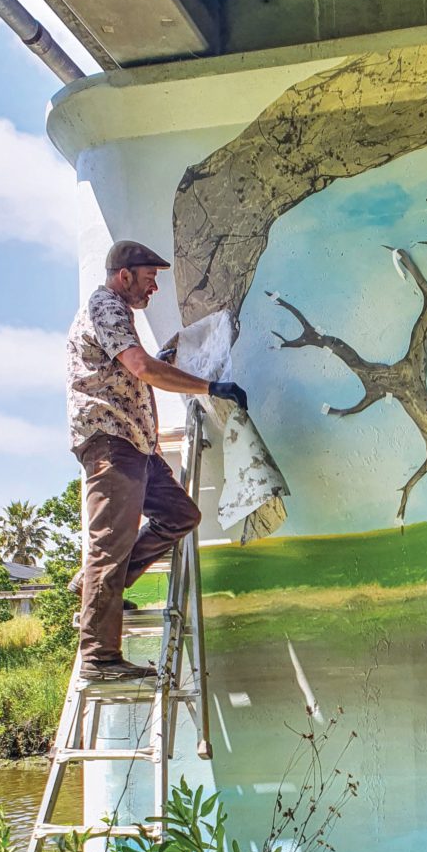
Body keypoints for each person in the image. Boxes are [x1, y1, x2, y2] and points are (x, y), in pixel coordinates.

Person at [66, 239, 247, 682]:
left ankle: (96, 585)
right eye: (149, 280)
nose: (154, 290)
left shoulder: (118, 315)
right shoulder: (105, 306)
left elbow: (131, 368)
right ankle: (99, 658)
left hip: (136, 444)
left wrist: (167, 359)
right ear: (123, 275)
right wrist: (208, 387)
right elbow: (141, 369)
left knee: (179, 514)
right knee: (109, 546)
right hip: (111, 443)